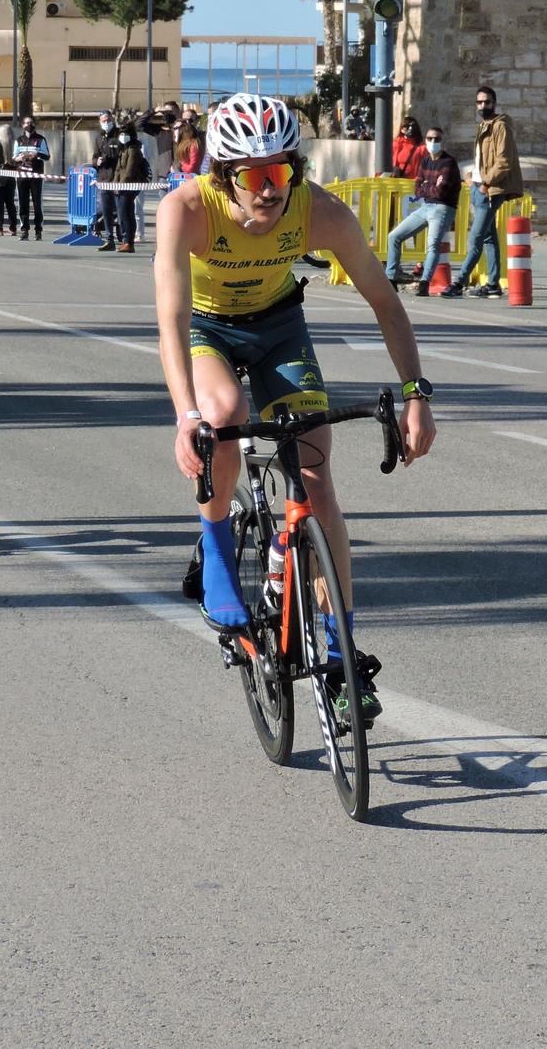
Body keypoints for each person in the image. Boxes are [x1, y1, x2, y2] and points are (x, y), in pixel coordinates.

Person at [155, 93, 436, 726]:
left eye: (283, 171)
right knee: (223, 418)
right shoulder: (187, 210)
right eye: (256, 175)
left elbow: (386, 303)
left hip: (280, 325)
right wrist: (184, 415)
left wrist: (417, 394)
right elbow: (170, 318)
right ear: (225, 174)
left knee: (314, 466)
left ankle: (338, 649)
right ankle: (218, 550)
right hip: (208, 329)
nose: (271, 189)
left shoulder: (321, 214)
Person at [445, 84, 523, 299]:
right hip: (479, 187)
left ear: (494, 103)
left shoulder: (500, 126)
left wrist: (486, 182)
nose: (482, 106)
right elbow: (482, 160)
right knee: (489, 238)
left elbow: (504, 161)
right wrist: (471, 178)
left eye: (486, 102)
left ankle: (459, 282)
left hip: (491, 190)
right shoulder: (483, 126)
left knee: (476, 238)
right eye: (479, 102)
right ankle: (493, 284)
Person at [385, 124, 460, 293]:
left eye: (437, 139)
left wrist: (428, 186)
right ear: (425, 140)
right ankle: (391, 279)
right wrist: (429, 186)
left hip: (442, 208)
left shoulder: (448, 162)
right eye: (430, 139)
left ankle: (424, 283)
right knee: (394, 236)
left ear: (443, 141)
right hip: (425, 206)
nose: (433, 142)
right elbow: (417, 188)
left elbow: (441, 192)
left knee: (432, 244)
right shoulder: (426, 160)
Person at [107, 116, 148, 255]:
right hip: (120, 186)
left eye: (126, 133)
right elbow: (119, 169)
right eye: (121, 133)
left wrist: (121, 185)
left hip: (129, 186)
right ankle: (125, 240)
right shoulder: (124, 149)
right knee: (122, 212)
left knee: (126, 212)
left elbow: (130, 170)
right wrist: (114, 184)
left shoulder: (134, 150)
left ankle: (128, 241)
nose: (123, 136)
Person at [12, 115, 49, 239]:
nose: (29, 125)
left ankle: (38, 230)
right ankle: (24, 230)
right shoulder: (19, 140)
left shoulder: (40, 139)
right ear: (22, 125)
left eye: (31, 122)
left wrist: (37, 154)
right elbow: (14, 157)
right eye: (27, 123)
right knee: (23, 203)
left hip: (36, 176)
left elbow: (47, 156)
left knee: (37, 203)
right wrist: (19, 158)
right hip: (22, 176)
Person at [93, 109, 121, 247]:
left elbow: (122, 155)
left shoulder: (119, 135)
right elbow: (94, 156)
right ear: (100, 122)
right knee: (106, 210)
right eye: (103, 121)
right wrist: (96, 162)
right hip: (103, 179)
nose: (106, 123)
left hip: (117, 179)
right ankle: (109, 238)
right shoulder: (98, 137)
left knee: (120, 210)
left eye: (108, 120)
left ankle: (125, 238)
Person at [391, 116, 427, 181]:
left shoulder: (422, 148)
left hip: (414, 183)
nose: (410, 129)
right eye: (406, 126)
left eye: (413, 126)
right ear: (401, 129)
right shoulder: (395, 144)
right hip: (396, 183)